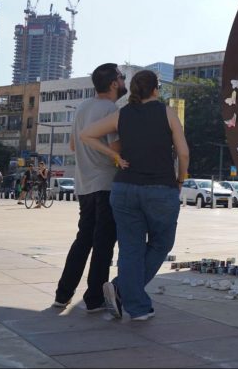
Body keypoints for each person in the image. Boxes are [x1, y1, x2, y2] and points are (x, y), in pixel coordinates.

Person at [81, 70, 189, 321]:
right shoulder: (167, 112)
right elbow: (183, 153)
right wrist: (181, 180)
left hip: (124, 189)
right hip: (160, 189)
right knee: (161, 243)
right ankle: (121, 289)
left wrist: (115, 156)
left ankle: (135, 304)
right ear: (156, 89)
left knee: (130, 249)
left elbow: (86, 135)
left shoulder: (122, 115)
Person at [52, 64, 126, 311]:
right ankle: (94, 298)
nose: (124, 81)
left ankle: (63, 294)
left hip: (84, 185)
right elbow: (115, 150)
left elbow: (74, 145)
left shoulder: (83, 108)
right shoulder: (110, 109)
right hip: (105, 183)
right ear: (114, 83)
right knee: (104, 243)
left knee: (83, 239)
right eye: (122, 77)